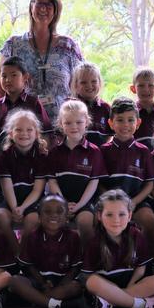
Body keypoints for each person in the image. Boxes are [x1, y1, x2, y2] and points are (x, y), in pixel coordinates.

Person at [0, 0, 83, 121]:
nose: (43, 8)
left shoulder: (68, 46)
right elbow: (2, 88)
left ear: (56, 10)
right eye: (39, 3)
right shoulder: (13, 45)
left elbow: (81, 85)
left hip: (64, 127)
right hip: (23, 129)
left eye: (49, 4)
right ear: (31, 7)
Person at [82, 189, 154, 308]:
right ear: (99, 216)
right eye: (109, 215)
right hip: (106, 287)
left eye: (122, 214)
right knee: (92, 282)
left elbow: (141, 268)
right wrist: (114, 289)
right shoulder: (95, 241)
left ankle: (110, 303)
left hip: (131, 285)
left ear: (130, 215)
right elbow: (89, 275)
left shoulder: (136, 235)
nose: (116, 220)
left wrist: (129, 286)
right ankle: (140, 304)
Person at [9, 195, 88, 308]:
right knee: (15, 281)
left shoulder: (73, 237)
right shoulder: (33, 236)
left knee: (76, 287)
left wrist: (62, 284)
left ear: (67, 218)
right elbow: (28, 266)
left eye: (59, 211)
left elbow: (75, 267)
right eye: (47, 211)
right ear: (39, 218)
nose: (54, 215)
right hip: (39, 281)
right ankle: (57, 305)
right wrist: (42, 283)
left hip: (63, 283)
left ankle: (35, 300)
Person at [100, 97, 154, 247]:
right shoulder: (103, 150)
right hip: (109, 203)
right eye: (120, 120)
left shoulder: (144, 151)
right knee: (96, 221)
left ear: (138, 123)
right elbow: (98, 183)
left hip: (136, 201)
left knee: (149, 220)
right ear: (111, 123)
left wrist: (133, 202)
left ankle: (149, 262)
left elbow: (149, 184)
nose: (125, 125)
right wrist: (110, 202)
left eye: (130, 120)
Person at [48, 100, 106, 246]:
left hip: (85, 203)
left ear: (86, 122)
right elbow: (52, 181)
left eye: (79, 122)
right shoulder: (54, 152)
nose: (74, 126)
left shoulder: (94, 151)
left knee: (85, 222)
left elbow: (94, 183)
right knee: (52, 223)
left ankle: (87, 261)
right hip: (59, 201)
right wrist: (64, 204)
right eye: (68, 123)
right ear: (61, 124)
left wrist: (79, 205)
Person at [0, 109, 49, 255]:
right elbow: (6, 186)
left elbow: (38, 190)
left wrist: (23, 208)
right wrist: (14, 208)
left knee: (33, 219)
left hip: (32, 200)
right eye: (18, 129)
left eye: (29, 130)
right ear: (11, 134)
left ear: (36, 133)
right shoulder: (5, 156)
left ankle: (25, 253)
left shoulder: (41, 156)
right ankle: (15, 251)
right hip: (11, 199)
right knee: (0, 216)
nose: (24, 133)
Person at [0, 56, 52, 142]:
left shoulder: (33, 103)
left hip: (31, 152)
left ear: (25, 77)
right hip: (3, 153)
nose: (8, 80)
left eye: (13, 75)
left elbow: (46, 132)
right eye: (4, 76)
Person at [71, 62, 112, 146]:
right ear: (75, 85)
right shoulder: (70, 107)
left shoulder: (106, 108)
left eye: (94, 81)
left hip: (99, 156)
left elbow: (110, 135)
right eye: (83, 82)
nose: (89, 85)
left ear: (99, 83)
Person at [130, 67, 154, 150]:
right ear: (133, 89)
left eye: (151, 85)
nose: (146, 89)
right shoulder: (129, 114)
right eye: (141, 86)